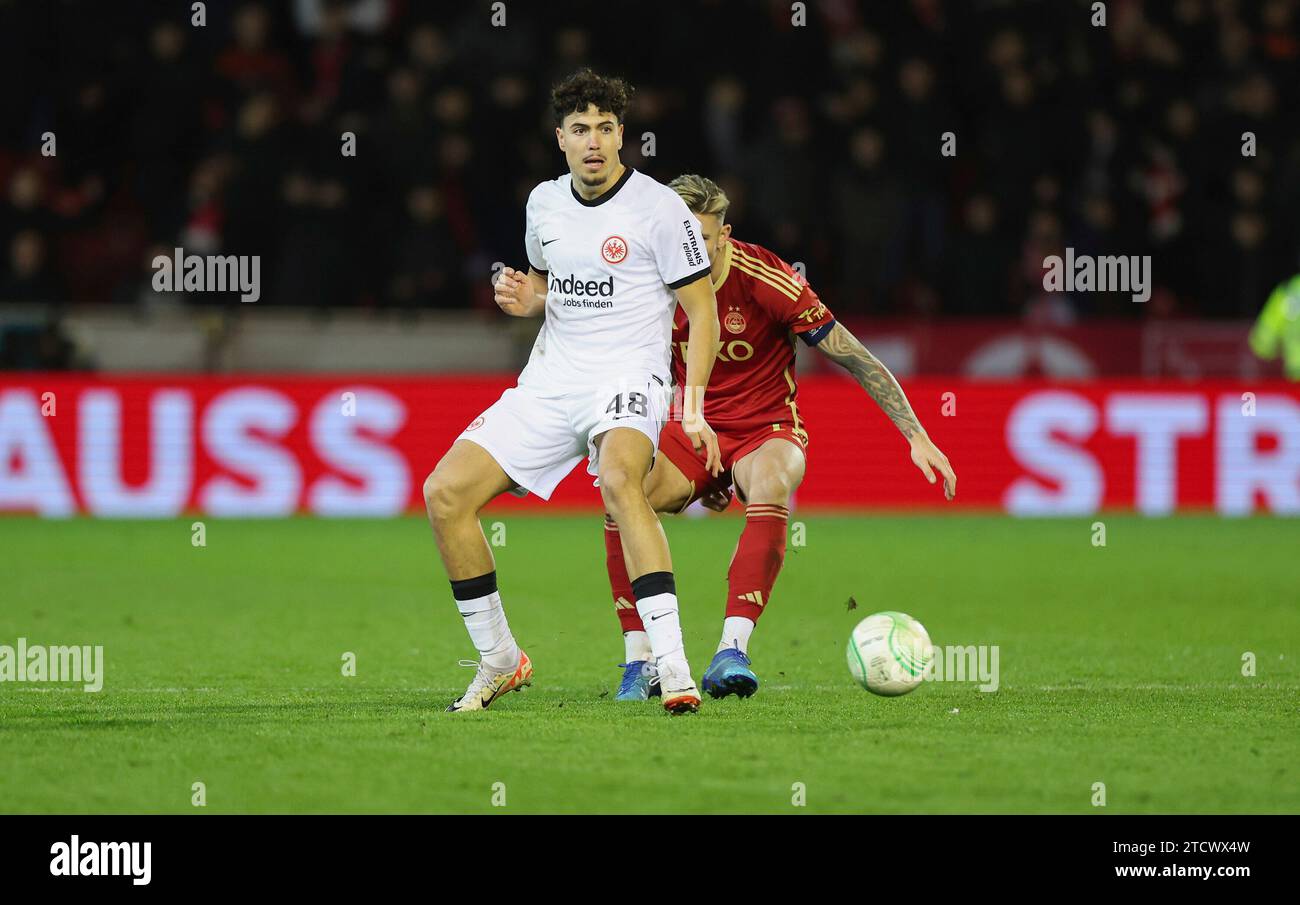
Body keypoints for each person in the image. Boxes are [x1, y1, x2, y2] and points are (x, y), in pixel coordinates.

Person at [423, 71, 722, 714]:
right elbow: (542, 285)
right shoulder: (544, 204)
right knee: (444, 494)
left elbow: (703, 313)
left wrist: (691, 407)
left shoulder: (659, 210)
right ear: (560, 138)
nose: (594, 142)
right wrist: (522, 297)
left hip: (629, 376)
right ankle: (501, 659)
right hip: (552, 380)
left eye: (606, 129)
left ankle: (672, 667)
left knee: (620, 482)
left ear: (622, 138)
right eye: (581, 129)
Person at [605, 174, 956, 701]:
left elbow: (853, 356)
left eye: (700, 238)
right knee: (621, 493)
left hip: (766, 425)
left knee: (770, 480)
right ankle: (640, 661)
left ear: (724, 235)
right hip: (688, 422)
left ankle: (731, 650)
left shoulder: (768, 279)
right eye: (678, 236)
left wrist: (916, 433)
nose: (688, 250)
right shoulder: (644, 279)